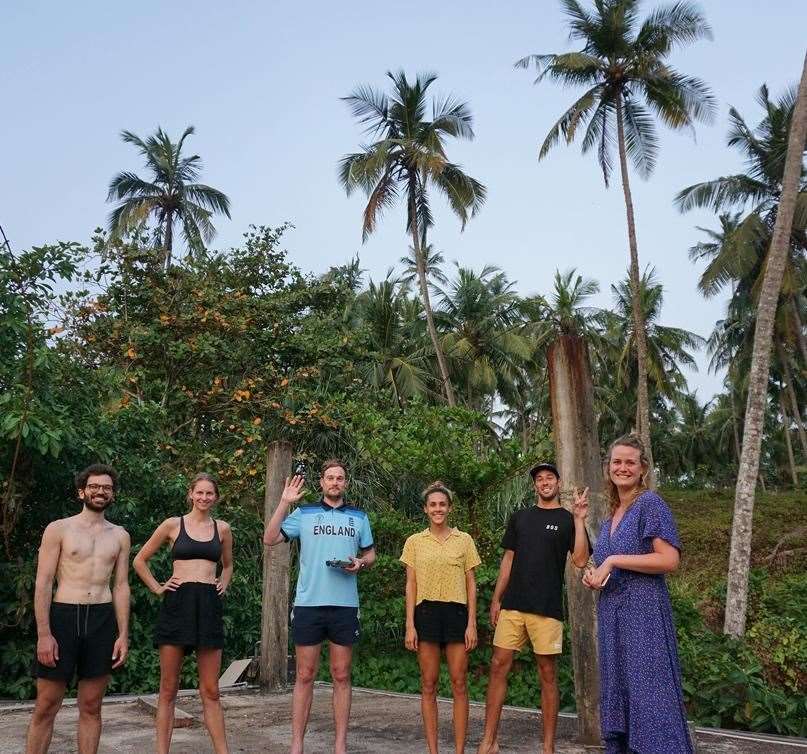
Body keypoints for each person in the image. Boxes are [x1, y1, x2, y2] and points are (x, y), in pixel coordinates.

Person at [582, 435, 692, 754]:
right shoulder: (610, 518)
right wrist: (594, 573)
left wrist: (614, 561)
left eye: (630, 462)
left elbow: (669, 559)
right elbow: (598, 562)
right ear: (608, 468)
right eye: (617, 461)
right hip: (613, 619)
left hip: (643, 618)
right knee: (621, 694)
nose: (623, 468)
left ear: (642, 468)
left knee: (649, 698)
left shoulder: (649, 503)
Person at [263, 458, 375, 754]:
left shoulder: (359, 517)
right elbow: (270, 538)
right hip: (309, 604)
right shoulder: (304, 513)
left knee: (341, 675)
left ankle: (340, 746)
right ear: (322, 483)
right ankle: (297, 745)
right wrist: (284, 502)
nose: (335, 482)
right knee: (304, 675)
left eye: (340, 478)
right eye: (329, 478)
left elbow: (371, 553)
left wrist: (361, 563)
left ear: (346, 483)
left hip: (345, 605)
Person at [477, 462, 589, 754]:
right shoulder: (520, 518)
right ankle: (489, 742)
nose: (544, 482)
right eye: (539, 479)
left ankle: (548, 747)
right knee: (498, 666)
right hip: (513, 604)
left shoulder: (567, 520)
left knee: (547, 674)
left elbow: (579, 560)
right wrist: (496, 598)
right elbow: (508, 560)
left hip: (547, 608)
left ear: (558, 482)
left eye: (549, 477)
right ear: (535, 486)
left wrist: (579, 519)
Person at [25, 463, 130, 754]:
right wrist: (44, 634)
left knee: (92, 707)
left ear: (113, 494)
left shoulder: (120, 535)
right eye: (94, 486)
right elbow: (44, 582)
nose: (100, 491)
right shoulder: (59, 529)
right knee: (46, 705)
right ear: (81, 491)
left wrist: (123, 634)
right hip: (63, 618)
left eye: (106, 488)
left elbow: (121, 586)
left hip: (101, 619)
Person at [133, 472, 233, 754]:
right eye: (199, 493)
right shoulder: (172, 525)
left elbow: (227, 565)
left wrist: (223, 583)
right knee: (168, 689)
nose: (204, 498)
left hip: (209, 606)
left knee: (211, 690)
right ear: (190, 494)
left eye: (209, 493)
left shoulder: (222, 529)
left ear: (216, 497)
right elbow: (140, 560)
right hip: (177, 604)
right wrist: (157, 587)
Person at [401, 481, 481, 754]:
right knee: (428, 683)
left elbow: (471, 583)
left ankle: (459, 750)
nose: (438, 509)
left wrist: (472, 623)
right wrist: (410, 624)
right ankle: (432, 750)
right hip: (426, 614)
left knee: (459, 682)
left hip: (457, 613)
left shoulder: (464, 540)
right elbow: (410, 585)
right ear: (425, 509)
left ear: (449, 508)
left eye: (442, 504)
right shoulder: (414, 542)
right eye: (433, 505)